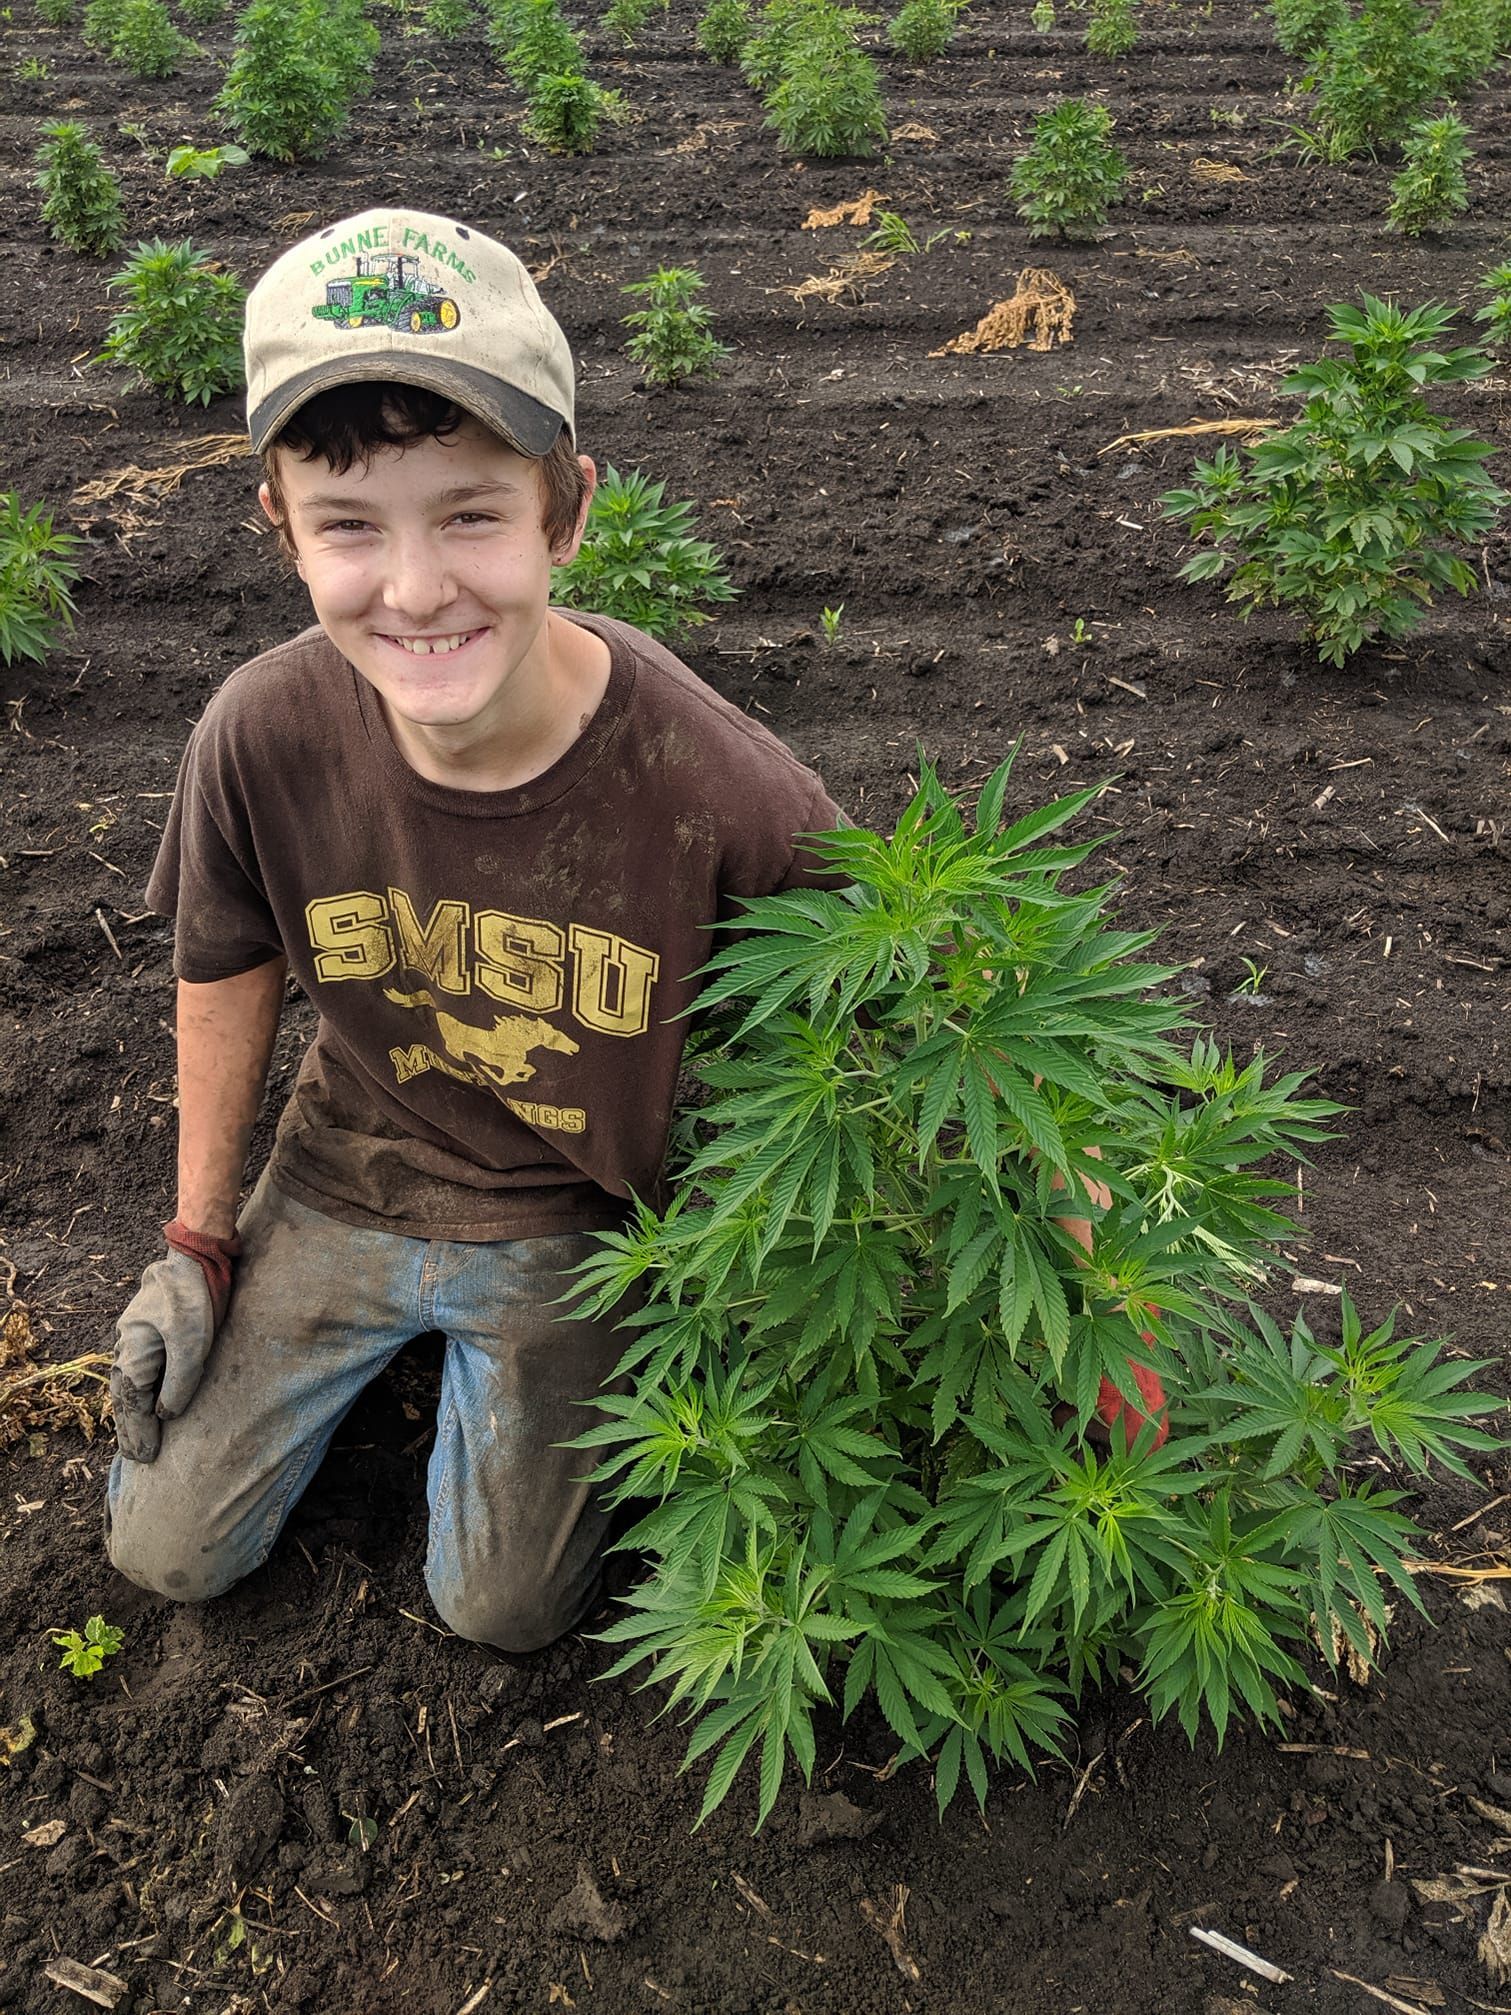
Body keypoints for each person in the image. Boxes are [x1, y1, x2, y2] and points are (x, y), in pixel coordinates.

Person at [104, 205, 850, 1653]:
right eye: (349, 527)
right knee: (165, 1550)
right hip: (347, 1179)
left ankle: (477, 1392)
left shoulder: (712, 779)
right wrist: (199, 1239)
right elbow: (224, 955)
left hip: (581, 1219)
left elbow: (898, 1003)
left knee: (502, 1612)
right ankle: (392, 1368)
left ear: (568, 508)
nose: (418, 588)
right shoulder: (262, 730)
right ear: (281, 530)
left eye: (472, 514)